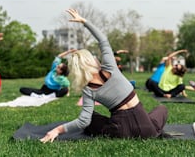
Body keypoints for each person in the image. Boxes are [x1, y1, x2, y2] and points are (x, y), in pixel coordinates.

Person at [40, 9, 167, 143]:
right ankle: (146, 123)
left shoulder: (88, 89)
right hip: (147, 130)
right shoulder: (110, 67)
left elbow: (83, 121)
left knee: (92, 118)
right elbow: (103, 40)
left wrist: (57, 130)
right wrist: (84, 21)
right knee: (162, 109)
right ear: (90, 61)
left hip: (120, 131)